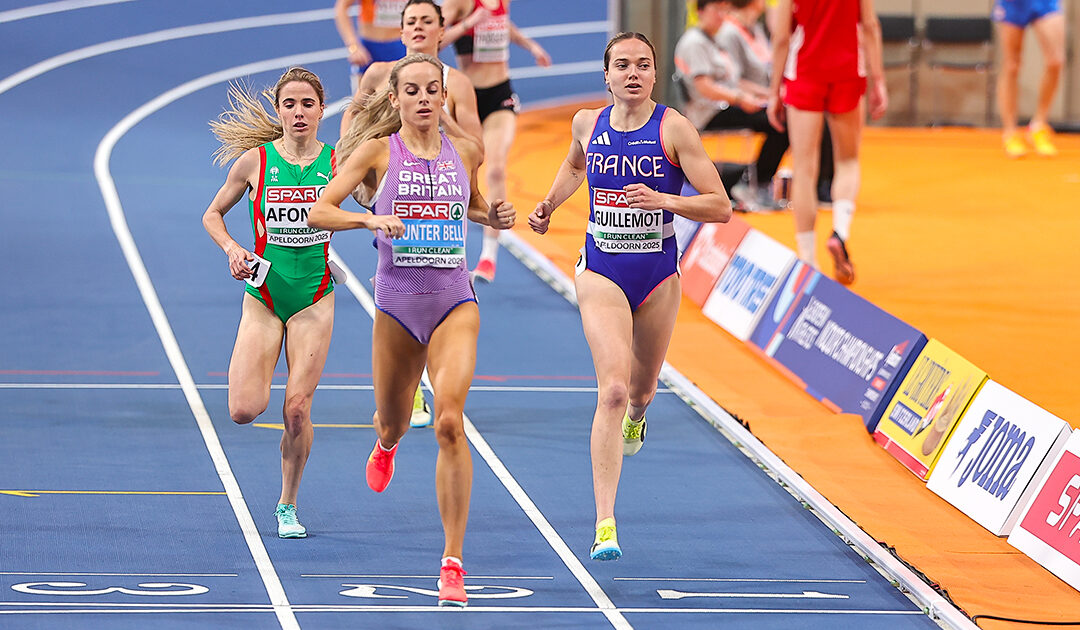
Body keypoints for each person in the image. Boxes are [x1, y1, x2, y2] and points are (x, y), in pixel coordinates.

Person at [308, 53, 515, 607]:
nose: (425, 99)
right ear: (395, 99)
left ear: (443, 97)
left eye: (433, 90)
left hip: (453, 301)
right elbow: (318, 212)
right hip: (398, 306)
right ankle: (386, 440)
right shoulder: (378, 152)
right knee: (397, 420)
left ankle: (452, 562)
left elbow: (472, 207)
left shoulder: (466, 150)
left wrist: (492, 216)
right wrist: (369, 218)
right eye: (414, 91)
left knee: (450, 420)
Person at [528, 33, 731, 561]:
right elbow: (575, 166)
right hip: (602, 269)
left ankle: (641, 412)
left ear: (654, 75)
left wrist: (663, 197)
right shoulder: (586, 123)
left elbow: (720, 206)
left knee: (640, 392)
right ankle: (604, 524)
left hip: (658, 274)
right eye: (623, 65)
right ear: (607, 75)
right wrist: (549, 205)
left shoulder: (674, 129)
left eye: (644, 64)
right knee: (612, 390)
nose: (633, 73)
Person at [202, 67, 336, 540]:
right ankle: (248, 361)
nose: (298, 113)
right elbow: (213, 213)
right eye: (289, 104)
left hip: (314, 297)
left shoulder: (338, 163)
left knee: (297, 409)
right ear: (278, 110)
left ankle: (287, 504)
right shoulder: (254, 162)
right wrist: (233, 249)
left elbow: (377, 197)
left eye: (307, 104)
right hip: (263, 295)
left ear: (322, 109)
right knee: (243, 409)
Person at [342, 0, 487, 429]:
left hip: (444, 194)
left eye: (428, 21)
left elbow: (475, 146)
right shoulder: (378, 74)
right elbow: (355, 115)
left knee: (436, 278)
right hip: (394, 188)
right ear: (401, 32)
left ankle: (426, 381)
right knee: (401, 268)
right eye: (411, 22)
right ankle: (413, 388)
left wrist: (441, 115)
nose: (419, 28)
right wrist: (352, 154)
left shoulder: (458, 84)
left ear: (443, 32)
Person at [767, 0, 887, 285]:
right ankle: (840, 232)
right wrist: (878, 79)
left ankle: (808, 259)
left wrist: (774, 91)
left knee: (805, 169)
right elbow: (869, 26)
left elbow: (782, 37)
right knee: (847, 160)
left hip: (806, 72)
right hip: (847, 70)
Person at [440, 0, 551, 283]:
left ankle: (489, 256)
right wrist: (469, 22)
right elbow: (435, 38)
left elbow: (503, 26)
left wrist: (530, 46)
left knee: (497, 169)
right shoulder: (459, 3)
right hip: (467, 100)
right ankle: (452, 252)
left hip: (500, 94)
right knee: (461, 174)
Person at [715, 0, 834, 204]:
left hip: (764, 95)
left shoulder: (755, 29)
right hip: (736, 101)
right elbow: (731, 80)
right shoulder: (729, 32)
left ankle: (823, 183)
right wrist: (770, 94)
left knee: (813, 112)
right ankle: (757, 181)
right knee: (784, 120)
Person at [675, 0, 787, 212]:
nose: (721, 15)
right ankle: (754, 184)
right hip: (709, 112)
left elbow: (733, 81)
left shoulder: (714, 40)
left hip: (726, 104)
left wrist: (769, 94)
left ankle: (755, 182)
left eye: (723, 10)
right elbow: (705, 87)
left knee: (780, 115)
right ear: (700, 12)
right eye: (715, 9)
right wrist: (740, 99)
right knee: (778, 122)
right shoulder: (694, 42)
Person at [993, 0, 1065, 158]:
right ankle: (1010, 132)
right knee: (1012, 65)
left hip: (1044, 3)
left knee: (1056, 61)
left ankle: (1038, 125)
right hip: (1013, 4)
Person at [334, 0, 409, 92]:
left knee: (404, 95)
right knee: (364, 101)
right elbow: (341, 8)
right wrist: (354, 47)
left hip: (401, 47)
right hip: (369, 50)